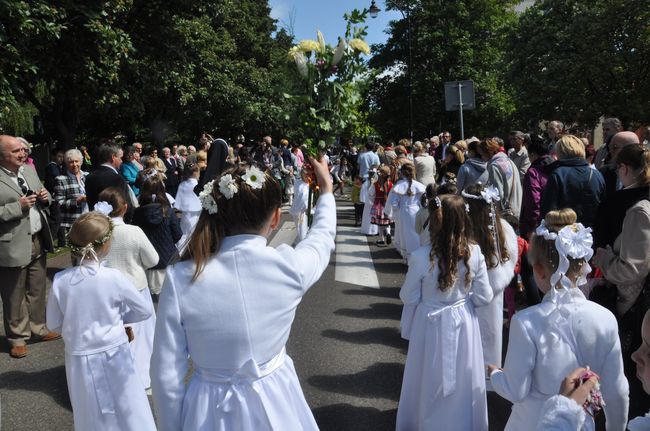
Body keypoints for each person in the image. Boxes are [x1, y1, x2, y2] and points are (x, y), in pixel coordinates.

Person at [151, 157, 335, 431]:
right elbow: (321, 237)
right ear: (275, 217)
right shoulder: (289, 266)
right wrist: (326, 190)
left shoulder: (181, 278)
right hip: (276, 398)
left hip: (207, 407)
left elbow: (166, 373)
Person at [488, 209, 629, 431]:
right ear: (582, 265)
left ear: (538, 271)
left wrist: (495, 375)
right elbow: (617, 391)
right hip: (580, 422)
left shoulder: (526, 322)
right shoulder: (606, 319)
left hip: (533, 423)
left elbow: (516, 390)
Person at [46, 211, 156, 430]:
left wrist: (76, 329)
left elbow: (53, 324)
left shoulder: (61, 280)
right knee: (128, 403)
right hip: (115, 352)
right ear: (106, 244)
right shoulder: (113, 277)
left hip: (79, 357)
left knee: (88, 407)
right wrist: (120, 320)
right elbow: (144, 310)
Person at [397, 194, 493, 431]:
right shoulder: (475, 253)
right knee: (463, 376)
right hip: (463, 321)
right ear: (465, 220)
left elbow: (407, 296)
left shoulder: (421, 256)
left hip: (429, 322)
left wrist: (429, 298)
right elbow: (485, 297)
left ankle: (426, 422)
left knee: (428, 375)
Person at [593, 144, 650, 417]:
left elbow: (632, 269)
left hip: (638, 308)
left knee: (637, 376)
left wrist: (604, 258)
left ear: (625, 169)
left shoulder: (640, 211)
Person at [537, 308, 650, 430]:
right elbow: (618, 391)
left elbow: (516, 392)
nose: (635, 356)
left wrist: (563, 413)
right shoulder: (606, 316)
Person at [0, 135, 59, 358]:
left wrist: (46, 196)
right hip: (10, 245)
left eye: (23, 150)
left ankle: (38, 328)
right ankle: (17, 337)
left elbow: (44, 194)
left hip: (36, 238)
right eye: (16, 151)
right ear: (2, 155)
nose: (23, 154)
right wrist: (18, 207)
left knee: (37, 289)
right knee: (13, 294)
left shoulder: (28, 170)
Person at [98, 189, 159, 391]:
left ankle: (114, 380)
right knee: (140, 338)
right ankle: (142, 379)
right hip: (136, 289)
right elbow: (153, 260)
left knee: (112, 336)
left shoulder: (96, 232)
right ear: (124, 208)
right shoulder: (133, 231)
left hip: (105, 292)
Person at [463, 184, 518, 370]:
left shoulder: (464, 229)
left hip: (465, 295)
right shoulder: (504, 228)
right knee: (490, 334)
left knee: (467, 340)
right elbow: (511, 256)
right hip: (494, 293)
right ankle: (489, 375)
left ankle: (468, 378)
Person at [132, 172, 182, 297]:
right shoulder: (168, 212)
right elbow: (178, 235)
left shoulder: (137, 213)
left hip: (147, 262)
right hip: (168, 261)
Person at [540, 135, 605, 229]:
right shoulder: (597, 175)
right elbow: (602, 209)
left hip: (562, 234)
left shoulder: (558, 174)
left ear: (560, 152)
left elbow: (548, 211)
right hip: (590, 234)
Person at [389, 163, 426, 260]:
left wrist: (396, 212)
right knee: (417, 233)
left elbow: (394, 203)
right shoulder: (419, 186)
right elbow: (423, 202)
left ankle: (407, 257)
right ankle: (417, 255)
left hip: (404, 212)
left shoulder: (399, 186)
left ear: (402, 173)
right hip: (416, 211)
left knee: (404, 234)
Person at [85, 143, 132, 218]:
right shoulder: (117, 179)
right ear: (113, 157)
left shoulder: (89, 177)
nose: (121, 161)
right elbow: (126, 205)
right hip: (114, 223)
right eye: (120, 158)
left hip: (96, 221)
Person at [479, 138, 522, 217]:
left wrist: (497, 215)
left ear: (488, 152)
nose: (482, 157)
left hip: (505, 213)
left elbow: (497, 193)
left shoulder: (494, 166)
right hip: (517, 207)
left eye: (482, 154)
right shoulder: (510, 161)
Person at [54, 149, 90, 235]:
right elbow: (59, 203)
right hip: (73, 222)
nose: (74, 164)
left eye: (76, 161)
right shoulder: (61, 179)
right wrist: (77, 201)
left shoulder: (88, 176)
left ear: (81, 162)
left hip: (90, 218)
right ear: (66, 164)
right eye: (71, 162)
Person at [173, 162, 202, 246]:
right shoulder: (197, 185)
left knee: (185, 233)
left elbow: (178, 204)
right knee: (195, 233)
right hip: (197, 214)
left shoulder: (182, 184)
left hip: (185, 215)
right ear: (195, 173)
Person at [370, 166, 393, 246]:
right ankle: (388, 233)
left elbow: (371, 194)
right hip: (387, 205)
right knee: (387, 222)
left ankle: (381, 239)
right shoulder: (391, 184)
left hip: (378, 204)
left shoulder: (376, 184)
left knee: (379, 223)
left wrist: (374, 201)